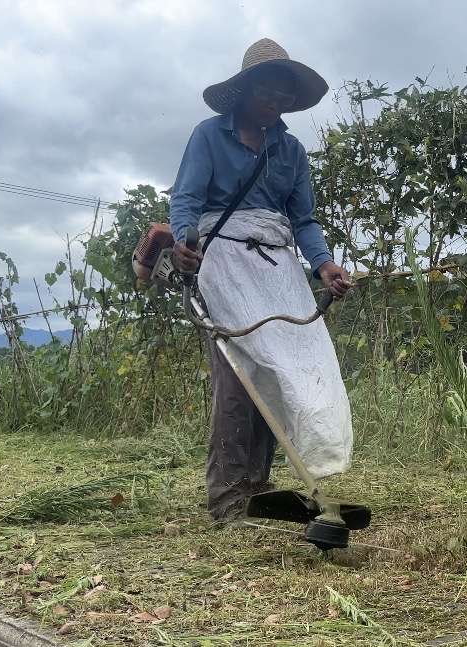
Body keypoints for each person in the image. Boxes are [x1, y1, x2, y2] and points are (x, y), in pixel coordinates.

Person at [169, 38, 353, 527]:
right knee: (237, 376)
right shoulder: (209, 136)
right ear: (245, 91)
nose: (275, 105)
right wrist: (186, 243)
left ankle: (257, 486)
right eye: (267, 95)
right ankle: (228, 498)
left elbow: (303, 220)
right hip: (222, 262)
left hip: (276, 268)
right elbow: (186, 199)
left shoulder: (290, 151)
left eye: (283, 99)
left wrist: (324, 265)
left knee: (279, 371)